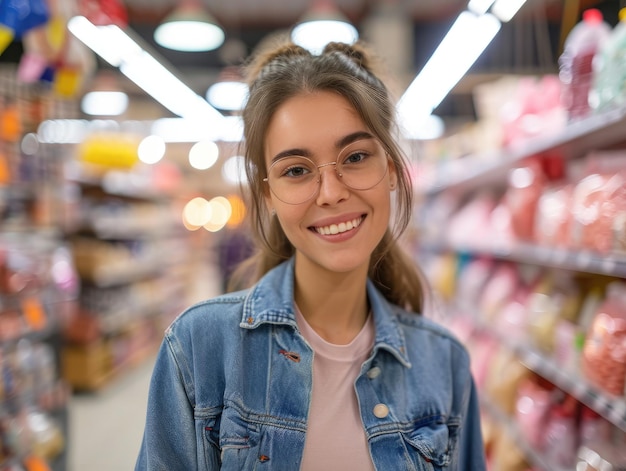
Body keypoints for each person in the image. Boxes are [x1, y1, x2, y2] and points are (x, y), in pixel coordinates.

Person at [135, 38, 486, 470]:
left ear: (391, 170)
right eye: (297, 170)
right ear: (269, 194)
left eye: (355, 157)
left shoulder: (445, 363)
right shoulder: (199, 349)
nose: (332, 193)